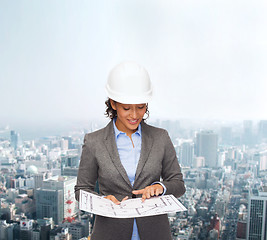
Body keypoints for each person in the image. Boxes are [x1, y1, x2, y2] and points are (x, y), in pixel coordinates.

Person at [75, 61, 186, 240]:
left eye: (141, 107)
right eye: (126, 108)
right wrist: (102, 202)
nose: (134, 115)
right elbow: (82, 190)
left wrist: (160, 187)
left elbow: (178, 183)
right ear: (113, 103)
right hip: (110, 233)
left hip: (155, 233)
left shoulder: (160, 137)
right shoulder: (94, 141)